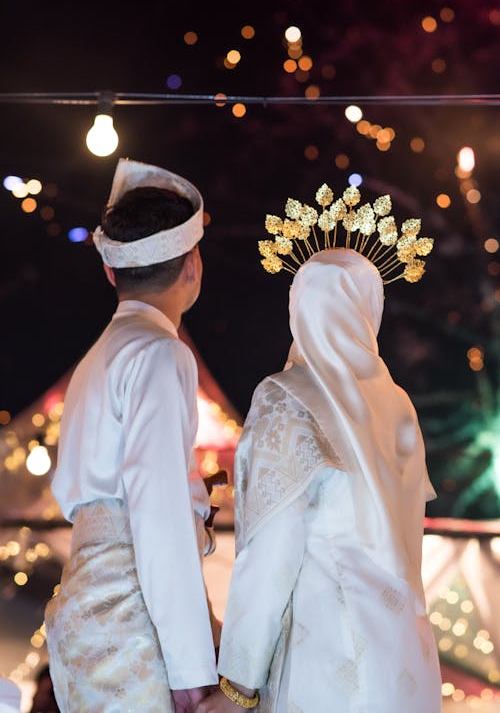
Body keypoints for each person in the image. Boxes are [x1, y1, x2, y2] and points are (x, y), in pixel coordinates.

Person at [197, 184, 442, 712]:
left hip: (325, 658)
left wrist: (237, 683)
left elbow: (271, 549)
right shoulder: (398, 406)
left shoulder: (288, 399)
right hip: (407, 661)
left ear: (298, 310)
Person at [44, 158, 220, 713]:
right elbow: (159, 513)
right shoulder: (160, 352)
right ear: (192, 264)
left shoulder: (97, 358)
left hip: (82, 608)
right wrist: (194, 671)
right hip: (130, 614)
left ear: (111, 272)